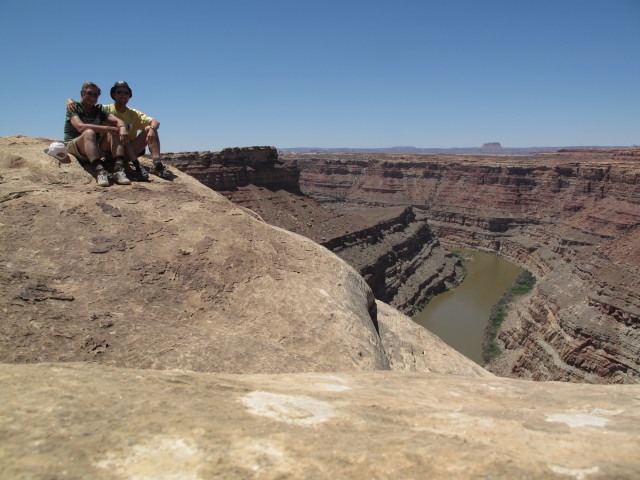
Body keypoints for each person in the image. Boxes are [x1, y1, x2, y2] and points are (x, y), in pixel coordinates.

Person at [67, 81, 168, 180]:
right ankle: (104, 169)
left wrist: (151, 129)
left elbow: (155, 122)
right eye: (119, 92)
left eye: (126, 93)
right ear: (113, 95)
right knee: (106, 132)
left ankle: (157, 165)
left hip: (126, 148)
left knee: (150, 129)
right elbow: (80, 127)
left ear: (129, 96)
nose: (122, 95)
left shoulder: (132, 113)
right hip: (106, 149)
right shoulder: (103, 109)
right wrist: (69, 100)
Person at [64, 82, 131, 187]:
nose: (92, 97)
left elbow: (117, 121)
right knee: (89, 132)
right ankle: (99, 171)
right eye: (89, 93)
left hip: (94, 146)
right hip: (76, 146)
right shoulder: (74, 107)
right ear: (82, 93)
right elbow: (80, 127)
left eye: (95, 95)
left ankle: (118, 170)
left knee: (115, 131)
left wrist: (122, 128)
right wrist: (106, 128)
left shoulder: (99, 109)